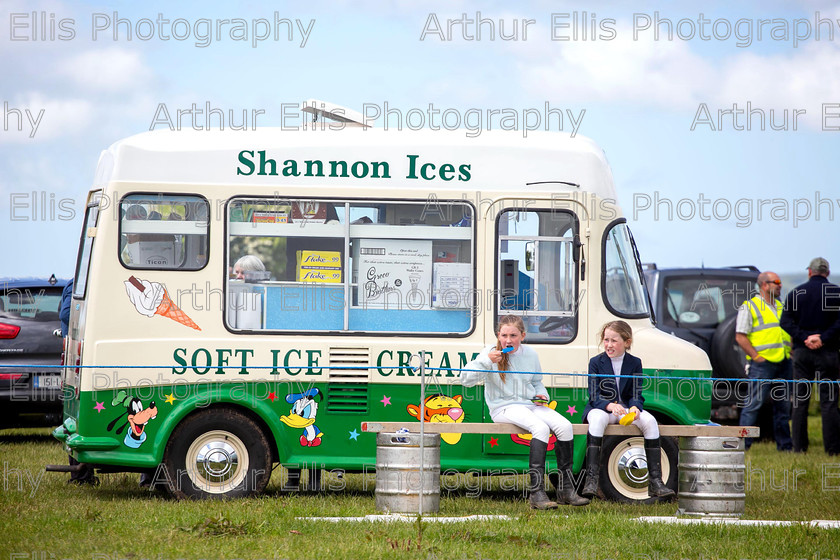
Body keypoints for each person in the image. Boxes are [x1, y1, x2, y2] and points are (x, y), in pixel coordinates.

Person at [460, 315, 589, 509]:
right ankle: (536, 494)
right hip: (503, 407)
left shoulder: (531, 354)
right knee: (540, 428)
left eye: (513, 335)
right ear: (498, 335)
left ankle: (566, 489)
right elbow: (466, 380)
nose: (508, 340)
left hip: (531, 405)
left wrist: (541, 395)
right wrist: (487, 361)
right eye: (504, 335)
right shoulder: (489, 352)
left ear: (523, 335)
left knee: (565, 426)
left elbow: (537, 382)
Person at [581, 321, 675, 499]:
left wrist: (635, 407)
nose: (609, 345)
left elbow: (636, 393)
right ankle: (591, 479)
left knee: (650, 421)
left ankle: (655, 481)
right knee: (598, 420)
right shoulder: (595, 362)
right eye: (606, 340)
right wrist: (610, 405)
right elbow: (593, 395)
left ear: (627, 342)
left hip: (625, 411)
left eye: (614, 340)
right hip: (602, 409)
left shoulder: (635, 363)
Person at [780, 257, 840, 455]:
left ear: (809, 272)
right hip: (828, 352)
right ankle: (832, 450)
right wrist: (823, 337)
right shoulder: (836, 293)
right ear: (827, 273)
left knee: (800, 401)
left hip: (802, 353)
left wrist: (805, 337)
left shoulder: (797, 293)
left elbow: (785, 322)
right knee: (829, 402)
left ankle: (799, 448)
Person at [735, 271, 792, 451]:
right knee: (752, 406)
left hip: (784, 361)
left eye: (780, 282)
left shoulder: (781, 306)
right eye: (776, 282)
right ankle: (743, 447)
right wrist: (756, 357)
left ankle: (785, 447)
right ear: (764, 285)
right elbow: (740, 337)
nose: (780, 285)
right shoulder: (749, 307)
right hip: (762, 364)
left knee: (783, 407)